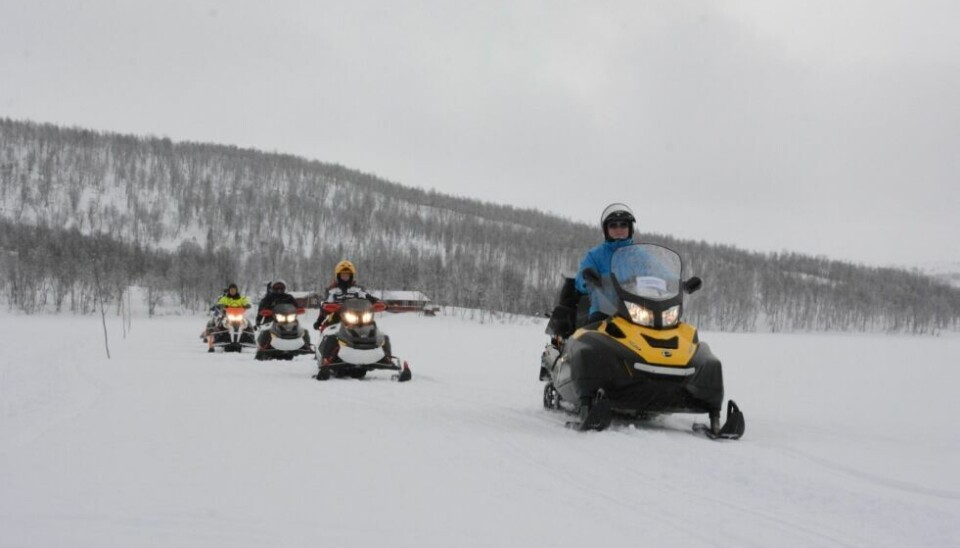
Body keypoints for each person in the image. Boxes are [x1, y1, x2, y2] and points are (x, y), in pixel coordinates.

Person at [312, 260, 388, 363]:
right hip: (338, 316)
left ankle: (385, 357)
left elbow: (367, 297)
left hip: (358, 316)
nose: (345, 276)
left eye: (347, 274)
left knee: (375, 330)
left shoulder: (358, 289)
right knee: (330, 332)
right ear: (338, 275)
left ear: (351, 275)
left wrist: (377, 302)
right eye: (343, 274)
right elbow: (325, 304)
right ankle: (326, 357)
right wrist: (320, 319)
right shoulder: (332, 290)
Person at [575, 203, 637, 324]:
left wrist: (675, 283)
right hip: (604, 311)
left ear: (631, 228)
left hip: (637, 312)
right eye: (613, 225)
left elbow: (661, 273)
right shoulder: (595, 255)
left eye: (623, 225)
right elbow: (580, 280)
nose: (619, 229)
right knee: (594, 331)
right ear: (606, 230)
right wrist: (587, 279)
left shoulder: (640, 256)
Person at [204, 283, 252, 352]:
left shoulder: (241, 298)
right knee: (219, 323)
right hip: (228, 316)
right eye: (231, 290)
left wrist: (247, 305)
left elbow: (246, 301)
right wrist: (221, 305)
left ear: (236, 290)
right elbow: (220, 302)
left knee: (247, 324)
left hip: (239, 316)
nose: (233, 291)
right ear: (229, 290)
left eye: (234, 290)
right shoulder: (225, 298)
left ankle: (250, 338)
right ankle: (214, 340)